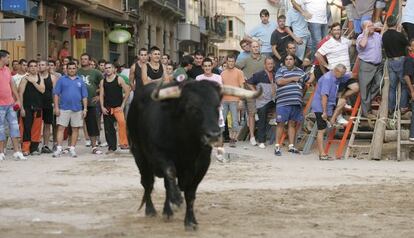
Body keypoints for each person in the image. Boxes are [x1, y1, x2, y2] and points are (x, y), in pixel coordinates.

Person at [311, 64, 349, 160]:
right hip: (320, 105)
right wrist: (324, 112)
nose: (342, 76)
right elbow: (324, 96)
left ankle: (332, 120)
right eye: (342, 74)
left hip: (330, 103)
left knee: (343, 101)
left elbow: (350, 75)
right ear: (336, 71)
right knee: (321, 130)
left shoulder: (337, 76)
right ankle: (322, 154)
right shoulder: (327, 79)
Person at [274, 54, 308, 156]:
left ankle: (291, 146)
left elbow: (307, 82)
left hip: (295, 101)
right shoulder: (281, 70)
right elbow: (279, 81)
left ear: (294, 60)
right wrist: (293, 78)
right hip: (283, 102)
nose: (288, 61)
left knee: (292, 124)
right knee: (280, 123)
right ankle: (277, 147)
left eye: (291, 59)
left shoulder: (300, 71)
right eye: (286, 59)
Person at [53, 62, 88, 158]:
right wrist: (56, 107)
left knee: (75, 129)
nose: (72, 70)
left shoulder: (80, 81)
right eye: (70, 68)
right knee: (60, 128)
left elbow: (84, 96)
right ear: (66, 69)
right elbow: (56, 94)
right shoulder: (61, 80)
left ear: (76, 69)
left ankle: (72, 149)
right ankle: (59, 148)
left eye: (73, 68)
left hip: (77, 109)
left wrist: (85, 109)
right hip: (63, 108)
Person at [236, 41, 266, 146]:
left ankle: (261, 136)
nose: (256, 48)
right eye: (253, 47)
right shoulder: (246, 60)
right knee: (252, 113)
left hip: (262, 90)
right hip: (249, 90)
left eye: (257, 46)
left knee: (262, 112)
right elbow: (235, 67)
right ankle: (252, 136)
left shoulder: (264, 59)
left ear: (260, 47)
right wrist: (242, 76)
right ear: (251, 48)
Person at [196, 58, 225, 161]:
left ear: (212, 66)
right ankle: (201, 153)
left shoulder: (218, 77)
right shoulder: (198, 78)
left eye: (209, 66)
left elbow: (221, 92)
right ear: (202, 67)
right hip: (203, 110)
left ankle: (220, 153)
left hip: (216, 108)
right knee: (201, 131)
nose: (207, 68)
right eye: (205, 66)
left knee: (219, 130)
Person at [0, 50, 26, 160]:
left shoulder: (7, 70)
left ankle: (17, 151)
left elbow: (12, 85)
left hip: (10, 103)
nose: (9, 60)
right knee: (0, 129)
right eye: (8, 58)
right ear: (2, 58)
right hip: (0, 105)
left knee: (14, 127)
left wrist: (18, 100)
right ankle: (1, 152)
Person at [100, 63, 131, 154]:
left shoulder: (119, 79)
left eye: (109, 68)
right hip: (107, 108)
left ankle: (124, 143)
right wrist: (102, 107)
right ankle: (111, 147)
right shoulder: (103, 81)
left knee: (122, 124)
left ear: (114, 69)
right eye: (106, 68)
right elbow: (101, 95)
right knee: (108, 129)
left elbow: (127, 90)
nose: (107, 69)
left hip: (118, 107)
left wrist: (123, 104)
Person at [247, 57, 276, 149]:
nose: (270, 65)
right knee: (262, 113)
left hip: (273, 100)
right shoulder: (259, 74)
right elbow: (248, 83)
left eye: (271, 64)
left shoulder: (276, 75)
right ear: (265, 65)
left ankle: (275, 118)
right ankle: (261, 141)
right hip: (263, 101)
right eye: (268, 64)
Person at [382, 15, 409, 115]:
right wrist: (401, 31)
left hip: (390, 61)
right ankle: (402, 107)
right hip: (400, 61)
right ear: (396, 23)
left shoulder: (384, 36)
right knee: (404, 85)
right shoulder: (399, 35)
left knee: (392, 86)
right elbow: (408, 44)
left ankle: (390, 107)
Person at [356, 20, 383, 119]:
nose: (372, 27)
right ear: (364, 28)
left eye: (372, 25)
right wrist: (366, 34)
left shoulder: (377, 35)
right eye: (369, 26)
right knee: (365, 89)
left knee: (380, 83)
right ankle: (366, 112)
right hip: (366, 65)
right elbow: (362, 45)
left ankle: (367, 101)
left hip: (378, 65)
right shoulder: (361, 37)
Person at [78, 53, 103, 154]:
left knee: (92, 125)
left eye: (85, 59)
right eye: (82, 59)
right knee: (72, 126)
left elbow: (104, 85)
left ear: (89, 61)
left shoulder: (96, 73)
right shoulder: (76, 71)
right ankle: (70, 147)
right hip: (77, 103)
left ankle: (94, 147)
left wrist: (99, 96)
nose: (83, 60)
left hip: (91, 103)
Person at [18, 60, 45, 156]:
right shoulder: (24, 79)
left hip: (38, 107)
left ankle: (34, 148)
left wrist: (33, 82)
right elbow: (20, 94)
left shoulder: (40, 78)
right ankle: (25, 148)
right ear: (28, 68)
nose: (33, 68)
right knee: (26, 128)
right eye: (31, 66)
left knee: (36, 129)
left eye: (35, 66)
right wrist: (21, 108)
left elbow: (42, 90)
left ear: (37, 68)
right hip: (27, 107)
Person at [221, 55, 245, 147]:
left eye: (232, 61)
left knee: (235, 121)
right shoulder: (222, 73)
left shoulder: (239, 72)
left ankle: (233, 139)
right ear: (226, 62)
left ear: (235, 62)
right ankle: (221, 137)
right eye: (229, 61)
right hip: (224, 100)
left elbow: (242, 87)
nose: (231, 63)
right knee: (222, 120)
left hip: (235, 100)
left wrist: (241, 100)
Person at [38, 60, 58, 153]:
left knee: (47, 125)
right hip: (37, 104)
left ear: (47, 67)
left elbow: (55, 93)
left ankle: (45, 145)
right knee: (36, 125)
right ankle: (34, 145)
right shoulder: (35, 77)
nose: (40, 66)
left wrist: (56, 105)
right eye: (39, 65)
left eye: (42, 65)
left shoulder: (53, 78)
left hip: (48, 104)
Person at [403, 39, 414, 142]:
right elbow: (406, 76)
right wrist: (412, 91)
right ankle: (412, 134)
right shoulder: (409, 59)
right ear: (410, 48)